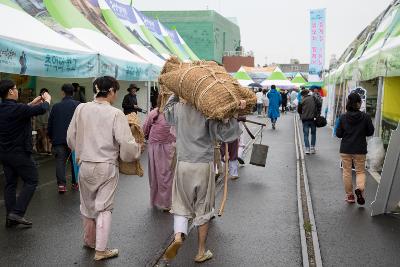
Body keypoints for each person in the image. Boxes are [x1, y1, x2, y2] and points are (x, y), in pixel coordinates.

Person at [162, 95, 245, 264]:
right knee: (204, 208)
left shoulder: (178, 108)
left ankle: (178, 236)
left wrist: (176, 93)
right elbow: (225, 135)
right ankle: (200, 251)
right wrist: (235, 113)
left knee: (181, 204)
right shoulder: (209, 111)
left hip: (183, 163)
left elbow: (166, 111)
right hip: (203, 164)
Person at [67, 76, 141, 261]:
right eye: (115, 91)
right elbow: (125, 143)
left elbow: (70, 137)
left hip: (84, 164)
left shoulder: (81, 108)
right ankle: (101, 250)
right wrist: (136, 151)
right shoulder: (116, 114)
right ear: (110, 91)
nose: (115, 95)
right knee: (104, 207)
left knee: (87, 205)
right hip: (106, 165)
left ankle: (90, 241)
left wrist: (80, 151)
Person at [0, 79, 51, 227]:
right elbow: (42, 109)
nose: (17, 91)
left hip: (4, 152)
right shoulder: (18, 109)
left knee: (10, 184)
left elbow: (20, 112)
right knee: (32, 180)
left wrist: (32, 103)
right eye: (15, 89)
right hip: (19, 152)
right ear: (10, 91)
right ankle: (17, 212)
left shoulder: (5, 108)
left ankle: (11, 217)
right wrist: (46, 100)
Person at [336, 93, 374, 205]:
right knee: (360, 171)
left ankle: (350, 196)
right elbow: (370, 132)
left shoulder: (343, 117)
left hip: (346, 148)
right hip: (360, 149)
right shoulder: (366, 116)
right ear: (358, 103)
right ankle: (360, 189)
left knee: (347, 172)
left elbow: (338, 134)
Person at [142, 95, 176, 211]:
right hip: (170, 147)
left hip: (155, 147)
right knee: (168, 175)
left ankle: (159, 201)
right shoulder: (174, 113)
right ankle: (168, 202)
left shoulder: (155, 113)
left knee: (156, 175)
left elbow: (145, 129)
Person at [48, 84, 80, 193]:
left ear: (62, 92)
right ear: (73, 92)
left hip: (59, 139)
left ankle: (61, 185)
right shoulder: (79, 105)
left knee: (60, 162)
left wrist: (50, 137)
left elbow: (50, 124)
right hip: (75, 139)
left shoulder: (56, 107)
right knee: (75, 162)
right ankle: (75, 183)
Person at [298, 89, 321, 154]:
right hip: (313, 119)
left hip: (305, 119)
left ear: (303, 95)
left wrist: (303, 112)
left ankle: (307, 149)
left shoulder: (302, 100)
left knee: (306, 134)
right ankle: (312, 148)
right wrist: (318, 113)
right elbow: (319, 104)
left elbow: (299, 111)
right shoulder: (314, 98)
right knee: (313, 133)